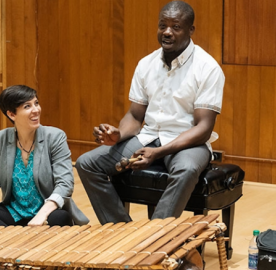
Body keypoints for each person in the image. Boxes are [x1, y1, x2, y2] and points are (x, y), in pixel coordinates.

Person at [75, 0, 224, 224]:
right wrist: (118, 135)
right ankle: (121, 232)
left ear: (191, 30)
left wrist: (160, 152)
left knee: (186, 168)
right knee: (87, 163)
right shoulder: (146, 63)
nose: (167, 32)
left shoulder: (207, 67)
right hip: (148, 135)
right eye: (162, 25)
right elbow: (135, 117)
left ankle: (153, 237)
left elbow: (203, 129)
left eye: (176, 27)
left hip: (187, 142)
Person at [0, 85, 88, 235]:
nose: (36, 110)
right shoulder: (1, 139)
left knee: (60, 217)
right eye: (27, 106)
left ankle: (4, 240)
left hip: (47, 214)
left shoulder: (55, 137)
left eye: (36, 103)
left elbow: (65, 184)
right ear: (12, 114)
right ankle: (20, 240)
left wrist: (42, 214)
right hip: (13, 214)